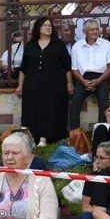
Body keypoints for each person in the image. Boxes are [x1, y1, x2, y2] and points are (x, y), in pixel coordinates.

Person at [17, 16, 72, 146]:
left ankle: (44, 138)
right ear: (38, 28)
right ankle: (32, 137)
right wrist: (20, 85)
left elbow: (67, 66)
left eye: (49, 25)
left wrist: (69, 83)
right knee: (32, 108)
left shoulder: (58, 44)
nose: (48, 28)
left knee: (50, 108)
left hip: (54, 83)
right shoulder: (31, 45)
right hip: (33, 83)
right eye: (45, 25)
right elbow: (24, 67)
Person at [69, 19, 110, 131]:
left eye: (96, 29)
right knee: (74, 105)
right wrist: (83, 81)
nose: (95, 31)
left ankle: (101, 134)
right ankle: (75, 136)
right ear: (84, 32)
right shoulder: (77, 46)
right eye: (92, 29)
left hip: (102, 78)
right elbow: (74, 69)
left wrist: (99, 80)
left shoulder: (106, 45)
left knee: (104, 106)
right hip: (83, 78)